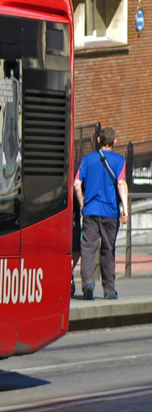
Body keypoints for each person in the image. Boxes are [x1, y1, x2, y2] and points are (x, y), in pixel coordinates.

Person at [73, 126, 130, 301]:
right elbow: (121, 184)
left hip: (90, 211)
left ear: (98, 140)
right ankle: (109, 290)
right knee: (108, 250)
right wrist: (125, 210)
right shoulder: (120, 160)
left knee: (88, 249)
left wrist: (83, 204)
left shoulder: (87, 159)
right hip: (110, 212)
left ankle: (88, 285)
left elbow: (76, 184)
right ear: (115, 142)